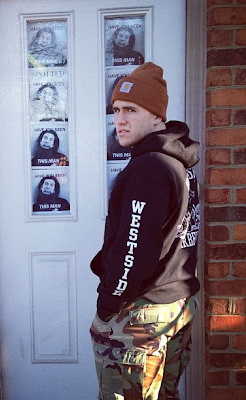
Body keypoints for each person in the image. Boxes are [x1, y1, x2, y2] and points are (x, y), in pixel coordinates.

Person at [90, 62, 201, 399]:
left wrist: (109, 303)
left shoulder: (150, 167)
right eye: (116, 110)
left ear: (156, 116)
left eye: (131, 110)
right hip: (176, 305)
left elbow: (134, 247)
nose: (119, 120)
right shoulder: (177, 162)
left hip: (141, 315)